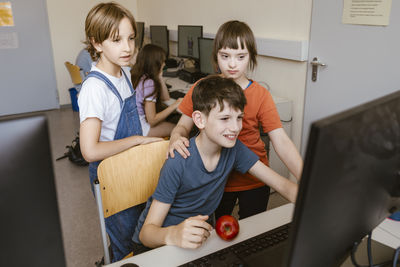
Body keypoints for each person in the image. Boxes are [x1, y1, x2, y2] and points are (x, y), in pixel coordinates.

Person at [132, 76, 297, 250]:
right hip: (160, 243)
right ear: (200, 120)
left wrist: (316, 204)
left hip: (197, 241)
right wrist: (173, 234)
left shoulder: (234, 149)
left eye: (239, 117)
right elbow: (146, 234)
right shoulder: (179, 160)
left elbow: (282, 185)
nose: (235, 127)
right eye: (225, 118)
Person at [168, 20, 303, 221]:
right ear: (215, 56)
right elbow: (181, 127)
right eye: (225, 56)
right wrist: (175, 137)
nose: (232, 64)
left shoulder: (261, 95)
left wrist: (306, 179)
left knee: (252, 236)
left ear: (251, 57)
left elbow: (281, 141)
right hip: (214, 179)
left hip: (255, 178)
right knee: (214, 235)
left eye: (240, 57)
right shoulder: (202, 88)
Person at [77, 2, 162, 262]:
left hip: (133, 168)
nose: (127, 47)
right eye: (117, 40)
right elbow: (89, 151)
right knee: (126, 245)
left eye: (131, 38)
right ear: (97, 43)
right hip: (114, 178)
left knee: (141, 235)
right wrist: (136, 140)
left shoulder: (124, 73)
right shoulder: (95, 88)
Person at [132, 44, 182, 137]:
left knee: (168, 120)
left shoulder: (138, 75)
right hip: (140, 128)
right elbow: (152, 120)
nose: (164, 64)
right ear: (156, 63)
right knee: (179, 130)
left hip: (132, 123)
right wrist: (174, 105)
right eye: (163, 61)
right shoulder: (149, 83)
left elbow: (166, 98)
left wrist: (159, 76)